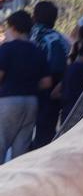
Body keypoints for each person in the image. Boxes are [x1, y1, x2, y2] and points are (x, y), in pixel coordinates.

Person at [0, 11, 52, 161]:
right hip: (31, 102)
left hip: (8, 101)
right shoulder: (38, 51)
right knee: (21, 151)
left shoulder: (6, 49)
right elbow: (47, 82)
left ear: (13, 27)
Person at [29, 1, 70, 149]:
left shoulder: (26, 35)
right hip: (50, 93)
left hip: (26, 91)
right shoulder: (58, 38)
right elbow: (59, 66)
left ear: (34, 16)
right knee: (44, 137)